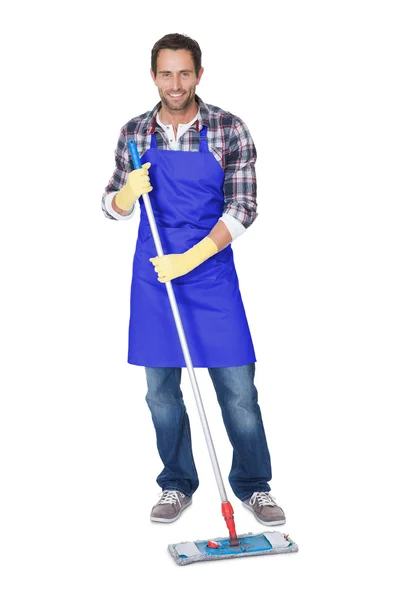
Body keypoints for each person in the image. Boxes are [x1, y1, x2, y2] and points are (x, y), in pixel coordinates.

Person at [101, 33, 286, 527]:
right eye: (166, 73)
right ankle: (176, 484)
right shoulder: (135, 134)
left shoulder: (229, 129)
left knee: (239, 392)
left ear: (199, 74)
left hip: (210, 277)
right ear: (154, 76)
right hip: (156, 278)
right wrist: (125, 195)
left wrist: (194, 256)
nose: (176, 83)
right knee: (161, 392)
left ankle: (253, 485)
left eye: (185, 73)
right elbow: (109, 207)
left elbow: (244, 206)